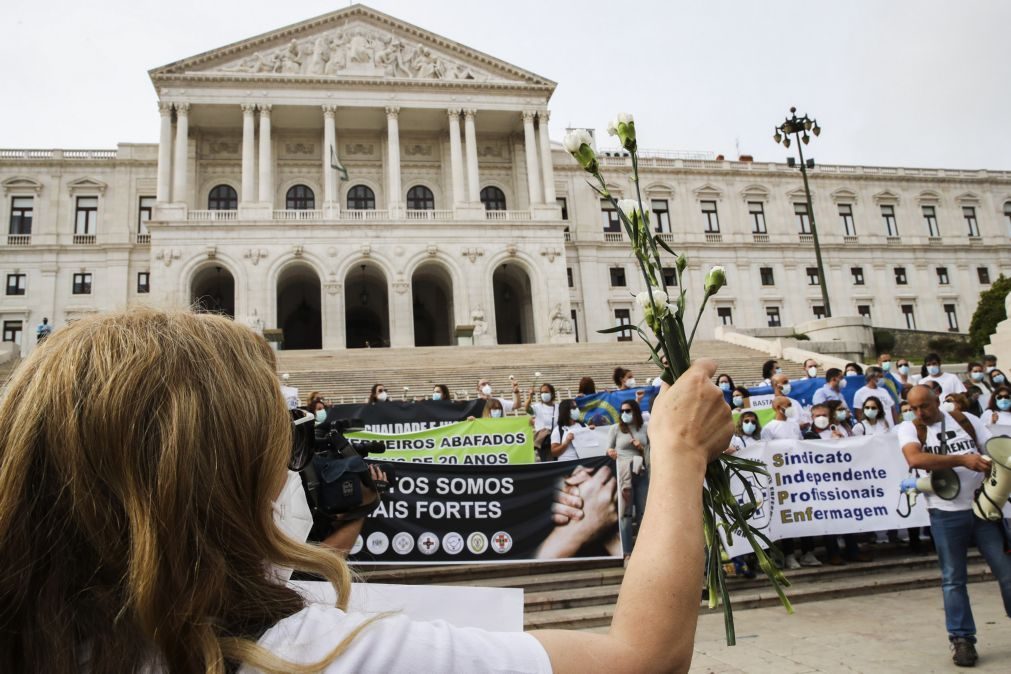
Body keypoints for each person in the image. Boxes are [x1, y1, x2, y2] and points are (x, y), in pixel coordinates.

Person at [0, 307, 737, 672]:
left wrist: (315, 554)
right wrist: (677, 453)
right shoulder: (310, 652)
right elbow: (643, 657)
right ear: (225, 478)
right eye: (276, 447)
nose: (290, 470)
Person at [898, 385, 1011, 667]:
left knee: (1007, 572)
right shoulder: (910, 429)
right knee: (953, 579)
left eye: (924, 406)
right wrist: (963, 459)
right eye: (914, 408)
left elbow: (996, 452)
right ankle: (962, 640)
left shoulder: (966, 420)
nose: (919, 413)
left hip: (983, 508)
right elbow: (915, 458)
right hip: (945, 513)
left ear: (937, 401)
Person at [606, 399, 649, 561]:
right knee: (625, 513)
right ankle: (627, 553)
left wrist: (641, 448)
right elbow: (608, 448)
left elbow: (653, 450)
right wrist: (610, 452)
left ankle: (644, 550)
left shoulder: (645, 428)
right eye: (622, 411)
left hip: (642, 472)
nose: (624, 414)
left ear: (635, 412)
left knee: (643, 513)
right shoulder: (615, 429)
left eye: (628, 411)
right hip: (624, 472)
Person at [528, 383, 560, 462]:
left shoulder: (558, 407)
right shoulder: (537, 407)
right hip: (543, 441)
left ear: (552, 394)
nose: (543, 394)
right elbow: (527, 409)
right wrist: (530, 397)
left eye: (546, 392)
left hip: (556, 440)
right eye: (541, 392)